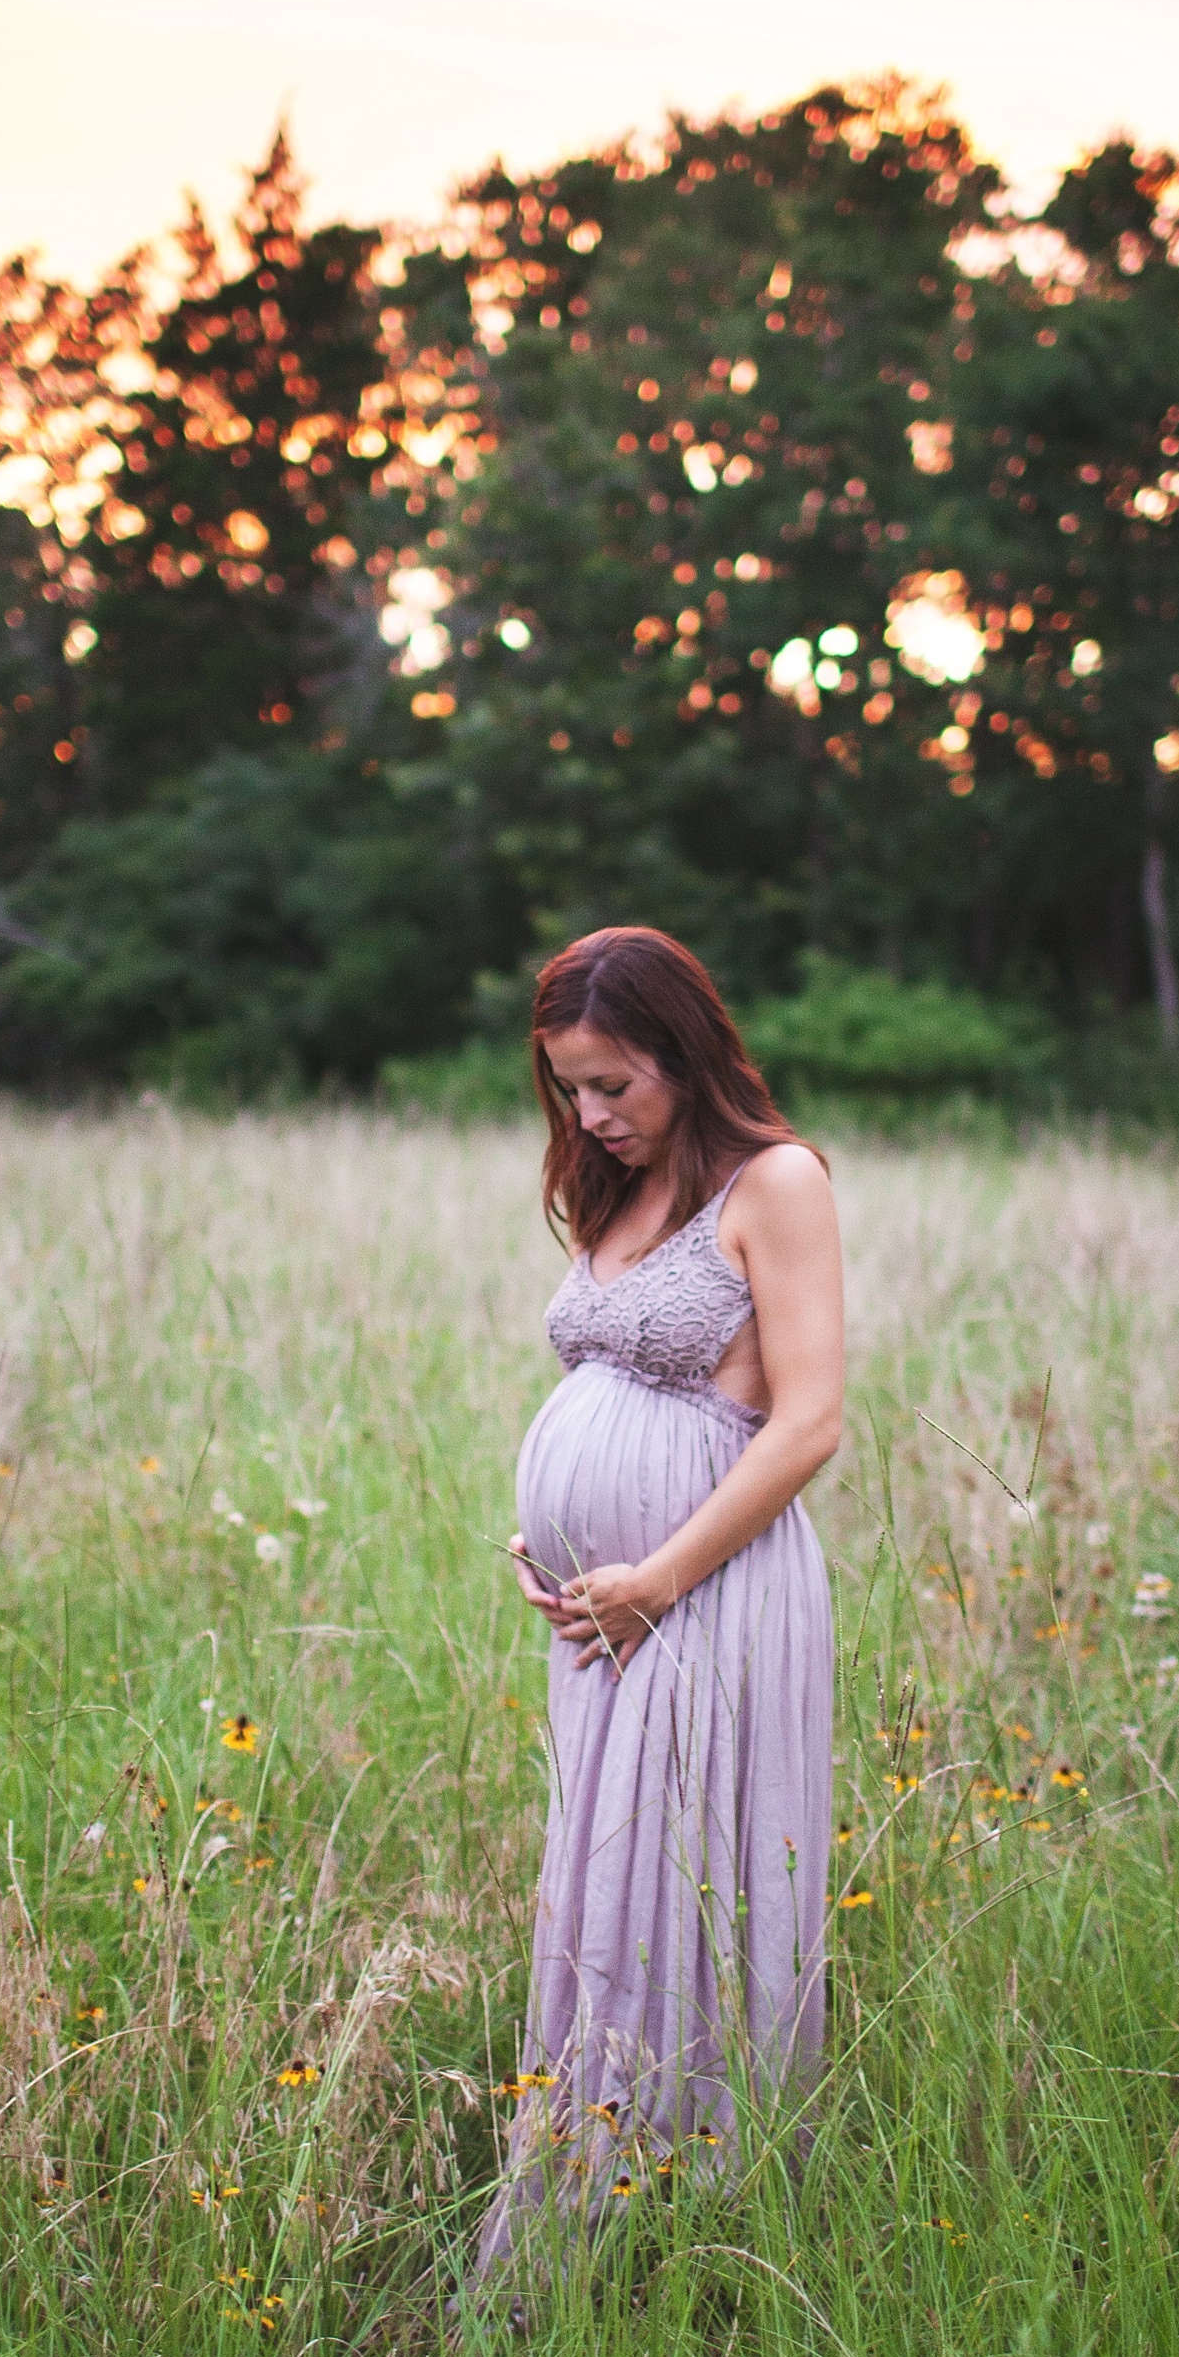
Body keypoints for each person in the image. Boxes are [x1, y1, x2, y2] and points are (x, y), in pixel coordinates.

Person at [476, 924, 843, 2282]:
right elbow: (611, 1396)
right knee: (603, 1899)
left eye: (615, 1083)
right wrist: (553, 1537)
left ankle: (696, 2223)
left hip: (708, 1596)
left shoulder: (775, 1181)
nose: (590, 1113)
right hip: (610, 1612)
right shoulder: (614, 1193)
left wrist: (656, 1574)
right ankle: (605, 2205)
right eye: (568, 1085)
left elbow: (806, 1422)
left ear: (684, 1052)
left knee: (679, 1896)